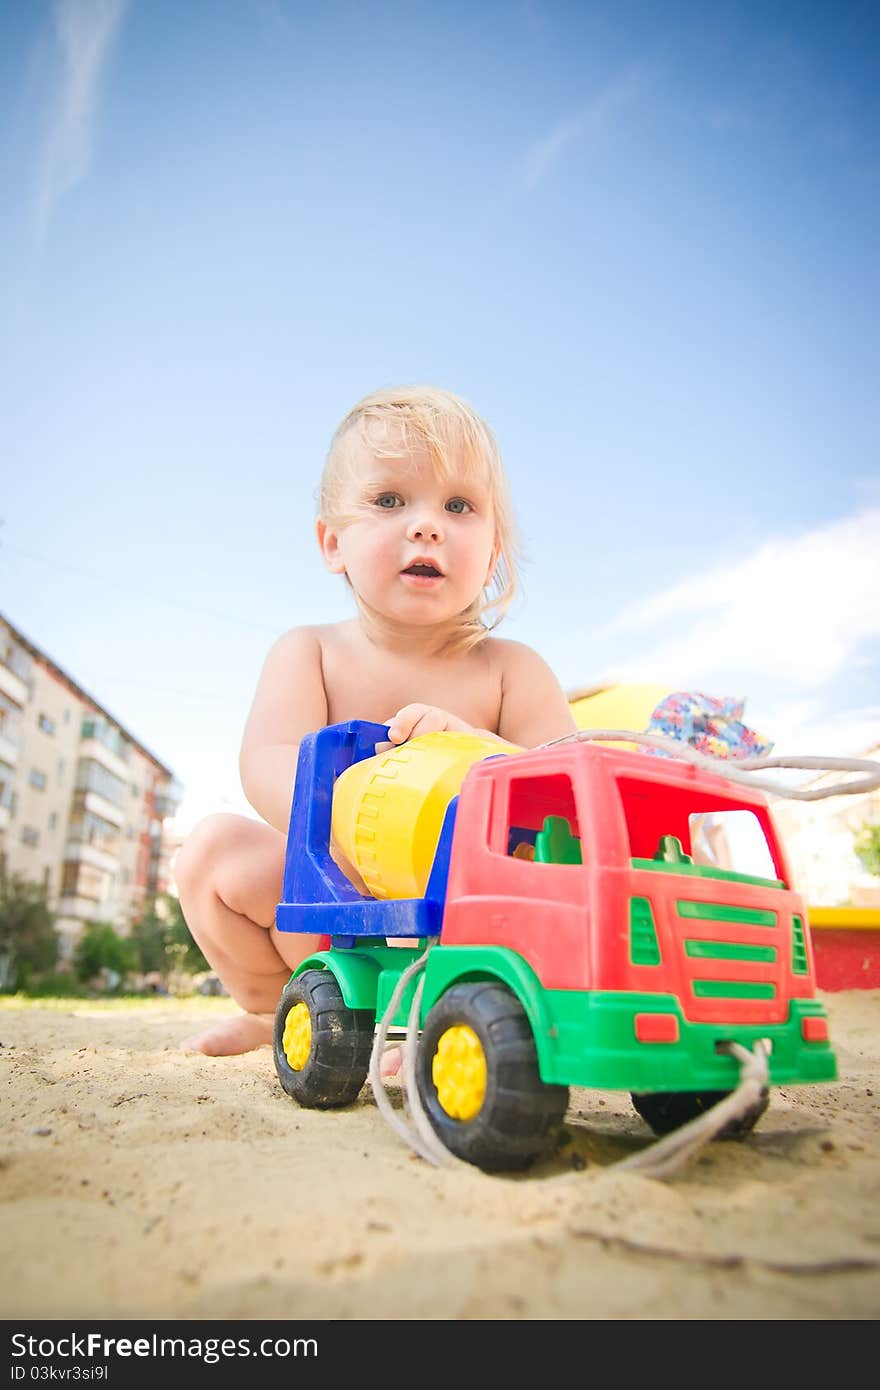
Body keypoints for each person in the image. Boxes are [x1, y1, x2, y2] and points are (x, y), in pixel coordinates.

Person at [174, 384, 577, 1057]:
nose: (427, 525)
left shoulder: (513, 669)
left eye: (459, 506)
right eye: (390, 501)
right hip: (336, 891)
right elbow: (266, 760)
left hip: (467, 904)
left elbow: (566, 790)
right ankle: (276, 1003)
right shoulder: (311, 651)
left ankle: (444, 1023)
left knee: (535, 895)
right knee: (211, 850)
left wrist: (477, 748)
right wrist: (352, 821)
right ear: (333, 543)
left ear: (494, 548)